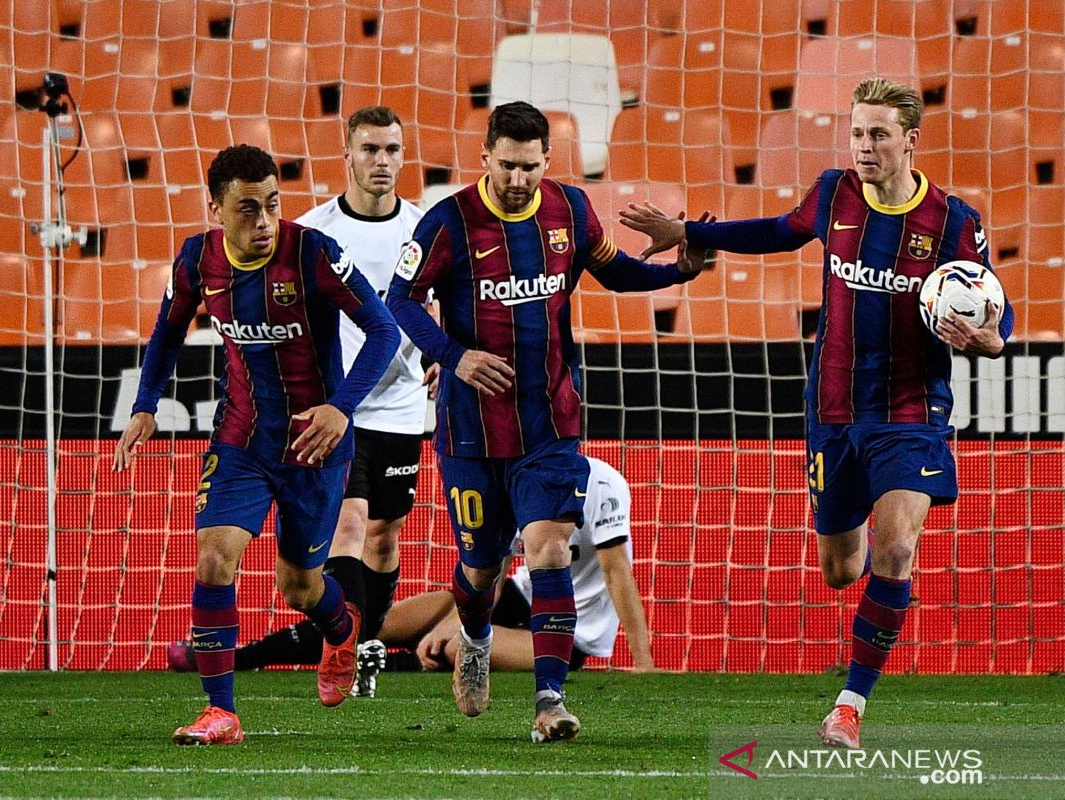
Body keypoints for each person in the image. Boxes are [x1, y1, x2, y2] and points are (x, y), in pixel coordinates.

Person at [619, 77, 1015, 750]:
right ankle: (873, 589)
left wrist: (990, 341)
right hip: (831, 407)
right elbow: (777, 231)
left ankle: (849, 706)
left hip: (909, 409)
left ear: (910, 141)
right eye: (858, 132)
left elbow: (996, 316)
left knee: (897, 547)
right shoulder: (834, 193)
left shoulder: (954, 222)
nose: (864, 146)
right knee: (840, 568)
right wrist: (686, 230)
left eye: (879, 134)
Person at [385, 101, 707, 743]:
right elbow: (400, 299)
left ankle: (549, 700)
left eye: (530, 167)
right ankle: (474, 635)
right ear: (485, 157)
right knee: (480, 571)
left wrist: (678, 271)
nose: (518, 179)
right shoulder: (447, 223)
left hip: (550, 423)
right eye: (506, 165)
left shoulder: (569, 210)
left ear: (546, 162)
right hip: (471, 429)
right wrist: (455, 355)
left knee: (549, 547)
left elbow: (614, 271)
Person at [113, 144, 399, 745]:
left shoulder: (314, 253)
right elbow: (166, 335)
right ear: (215, 208)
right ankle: (222, 713)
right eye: (248, 209)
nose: (264, 221)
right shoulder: (196, 261)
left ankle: (340, 630)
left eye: (272, 204)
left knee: (299, 586)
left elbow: (383, 331)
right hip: (241, 438)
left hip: (315, 447)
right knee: (214, 560)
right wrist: (144, 406)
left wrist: (341, 409)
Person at [167, 456, 658, 677]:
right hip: (518, 595)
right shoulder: (512, 479)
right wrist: (456, 622)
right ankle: (239, 656)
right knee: (374, 622)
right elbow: (488, 570)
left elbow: (618, 573)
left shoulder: (605, 485)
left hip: (568, 632)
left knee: (447, 650)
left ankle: (387, 667)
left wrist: (643, 662)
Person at [292, 106, 430, 698]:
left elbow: (448, 300)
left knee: (384, 535)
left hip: (402, 407)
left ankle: (366, 640)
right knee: (347, 523)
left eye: (392, 150)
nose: (382, 161)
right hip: (338, 407)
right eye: (370, 149)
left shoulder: (426, 228)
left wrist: (443, 355)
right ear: (345, 153)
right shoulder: (312, 231)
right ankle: (340, 649)